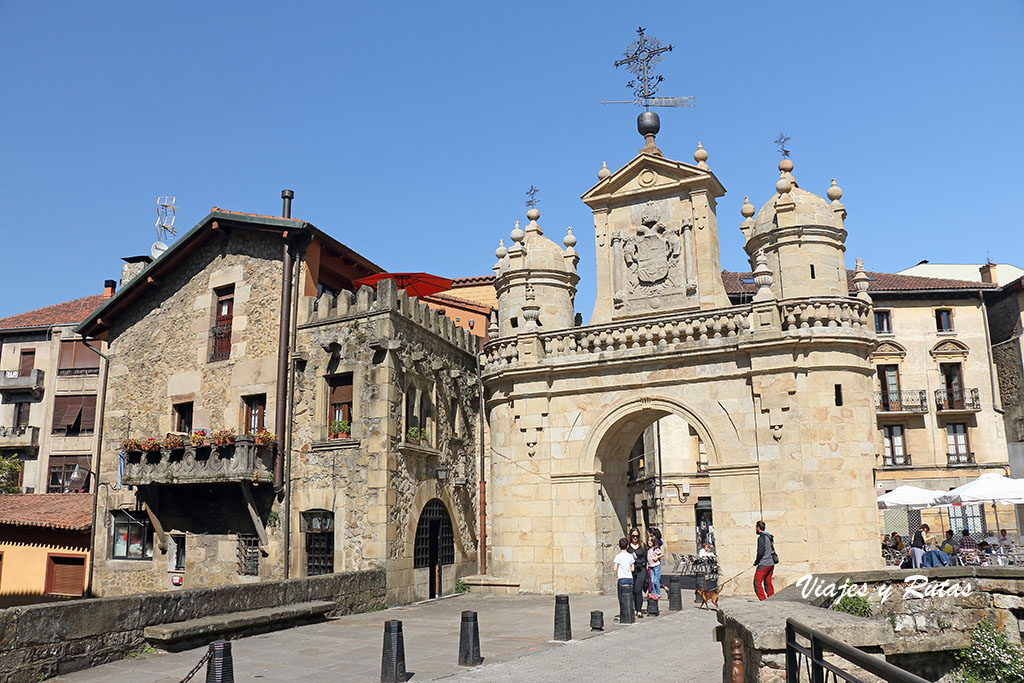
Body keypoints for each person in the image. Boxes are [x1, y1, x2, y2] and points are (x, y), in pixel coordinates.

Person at [753, 520, 776, 601]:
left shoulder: (761, 538)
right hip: (771, 563)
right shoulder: (770, 537)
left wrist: (756, 561)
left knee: (757, 582)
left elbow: (760, 552)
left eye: (756, 528)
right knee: (768, 582)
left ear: (758, 528)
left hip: (764, 563)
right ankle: (771, 598)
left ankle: (763, 600)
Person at [628, 528, 648, 617]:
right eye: (633, 536)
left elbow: (646, 556)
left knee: (638, 589)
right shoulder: (628, 547)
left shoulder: (642, 545)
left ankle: (639, 610)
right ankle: (634, 608)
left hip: (641, 569)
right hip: (632, 570)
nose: (635, 538)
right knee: (633, 590)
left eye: (637, 536)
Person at [613, 537, 635, 617]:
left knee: (621, 597)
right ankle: (631, 611)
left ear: (619, 545)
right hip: (629, 578)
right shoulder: (630, 556)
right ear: (628, 546)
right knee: (630, 596)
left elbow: (615, 568)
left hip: (622, 578)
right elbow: (633, 568)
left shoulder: (618, 556)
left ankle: (623, 612)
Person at [647, 529, 663, 600]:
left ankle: (658, 593)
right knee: (652, 581)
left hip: (656, 566)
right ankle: (654, 593)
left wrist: (657, 557)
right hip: (651, 566)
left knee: (656, 580)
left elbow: (662, 554)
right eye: (648, 541)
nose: (649, 542)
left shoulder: (655, 549)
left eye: (651, 541)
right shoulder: (648, 549)